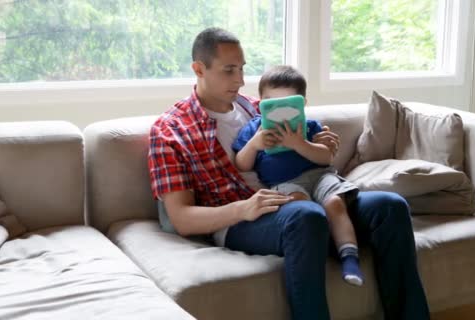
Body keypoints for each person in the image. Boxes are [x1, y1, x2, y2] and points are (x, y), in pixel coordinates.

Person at [148, 27, 430, 320]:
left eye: (242, 69)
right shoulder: (171, 131)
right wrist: (243, 208)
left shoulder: (266, 108)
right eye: (229, 70)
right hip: (243, 217)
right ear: (198, 69)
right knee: (306, 217)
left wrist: (319, 142)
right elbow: (181, 219)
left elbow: (308, 138)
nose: (241, 80)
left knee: (391, 207)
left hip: (306, 196)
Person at [232, 65, 364, 286]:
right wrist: (254, 145)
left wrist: (299, 143)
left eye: (288, 103)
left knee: (335, 203)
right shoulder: (255, 129)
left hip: (319, 176)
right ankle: (320, 248)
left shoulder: (310, 126)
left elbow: (325, 158)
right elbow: (241, 164)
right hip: (285, 184)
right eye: (272, 103)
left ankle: (349, 257)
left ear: (302, 104)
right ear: (261, 104)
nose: (280, 112)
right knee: (300, 208)